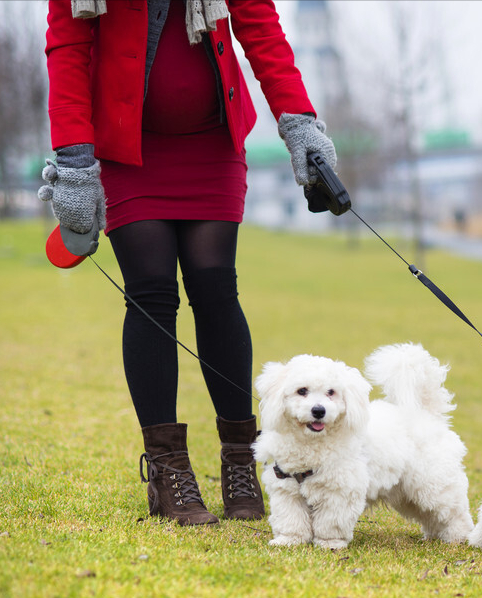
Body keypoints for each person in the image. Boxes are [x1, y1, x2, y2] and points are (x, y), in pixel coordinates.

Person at [39, 0, 337, 526]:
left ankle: (241, 458)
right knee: (151, 293)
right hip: (127, 149)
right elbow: (68, 47)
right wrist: (74, 161)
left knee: (216, 289)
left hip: (211, 143)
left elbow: (261, 32)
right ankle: (167, 470)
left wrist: (300, 125)